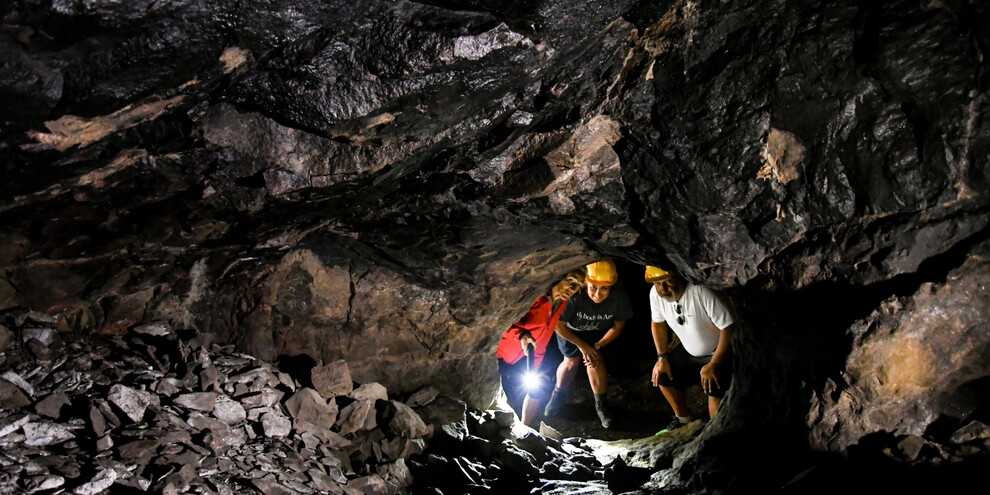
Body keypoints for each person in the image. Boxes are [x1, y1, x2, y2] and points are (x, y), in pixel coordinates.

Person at [543, 260, 633, 429]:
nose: (598, 293)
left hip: (597, 332)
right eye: (594, 287)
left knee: (595, 359)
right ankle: (557, 397)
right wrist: (583, 347)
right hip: (571, 332)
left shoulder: (619, 297)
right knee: (571, 361)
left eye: (604, 288)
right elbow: (558, 325)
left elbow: (619, 325)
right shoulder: (575, 295)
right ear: (586, 283)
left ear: (612, 286)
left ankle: (601, 405)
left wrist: (597, 346)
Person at [646, 266, 736, 432]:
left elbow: (728, 327)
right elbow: (657, 323)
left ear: (680, 276)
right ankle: (683, 420)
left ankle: (715, 433)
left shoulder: (701, 291)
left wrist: (715, 363)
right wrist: (662, 358)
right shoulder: (655, 294)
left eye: (668, 281)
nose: (662, 288)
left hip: (718, 352)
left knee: (713, 388)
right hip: (689, 352)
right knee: (663, 376)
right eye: (658, 283)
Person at [496, 269, 586, 428]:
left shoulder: (561, 303)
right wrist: (522, 335)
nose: (573, 289)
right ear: (559, 276)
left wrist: (535, 367)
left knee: (538, 387)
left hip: (527, 356)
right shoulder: (535, 297)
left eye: (578, 285)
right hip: (501, 355)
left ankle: (526, 430)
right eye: (571, 281)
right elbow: (502, 323)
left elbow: (543, 338)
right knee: (500, 398)